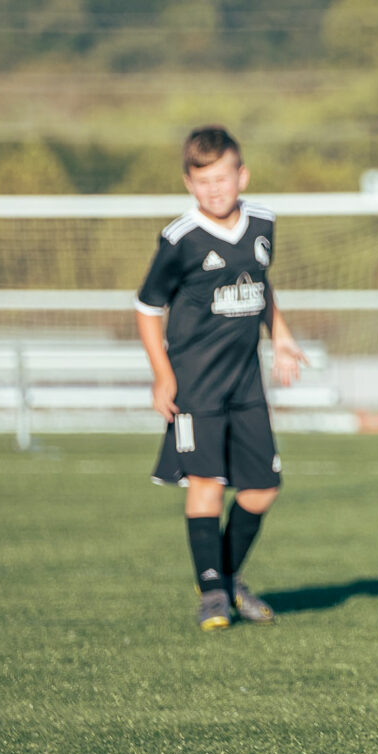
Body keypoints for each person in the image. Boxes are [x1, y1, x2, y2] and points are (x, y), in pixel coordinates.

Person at [136, 126, 305, 631]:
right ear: (189, 184)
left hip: (246, 384)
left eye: (223, 178)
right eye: (203, 181)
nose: (215, 189)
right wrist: (162, 376)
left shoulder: (263, 224)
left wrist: (282, 335)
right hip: (195, 385)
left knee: (262, 490)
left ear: (241, 175)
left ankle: (226, 578)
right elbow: (147, 309)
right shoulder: (179, 239)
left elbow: (259, 284)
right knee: (206, 484)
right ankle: (212, 591)